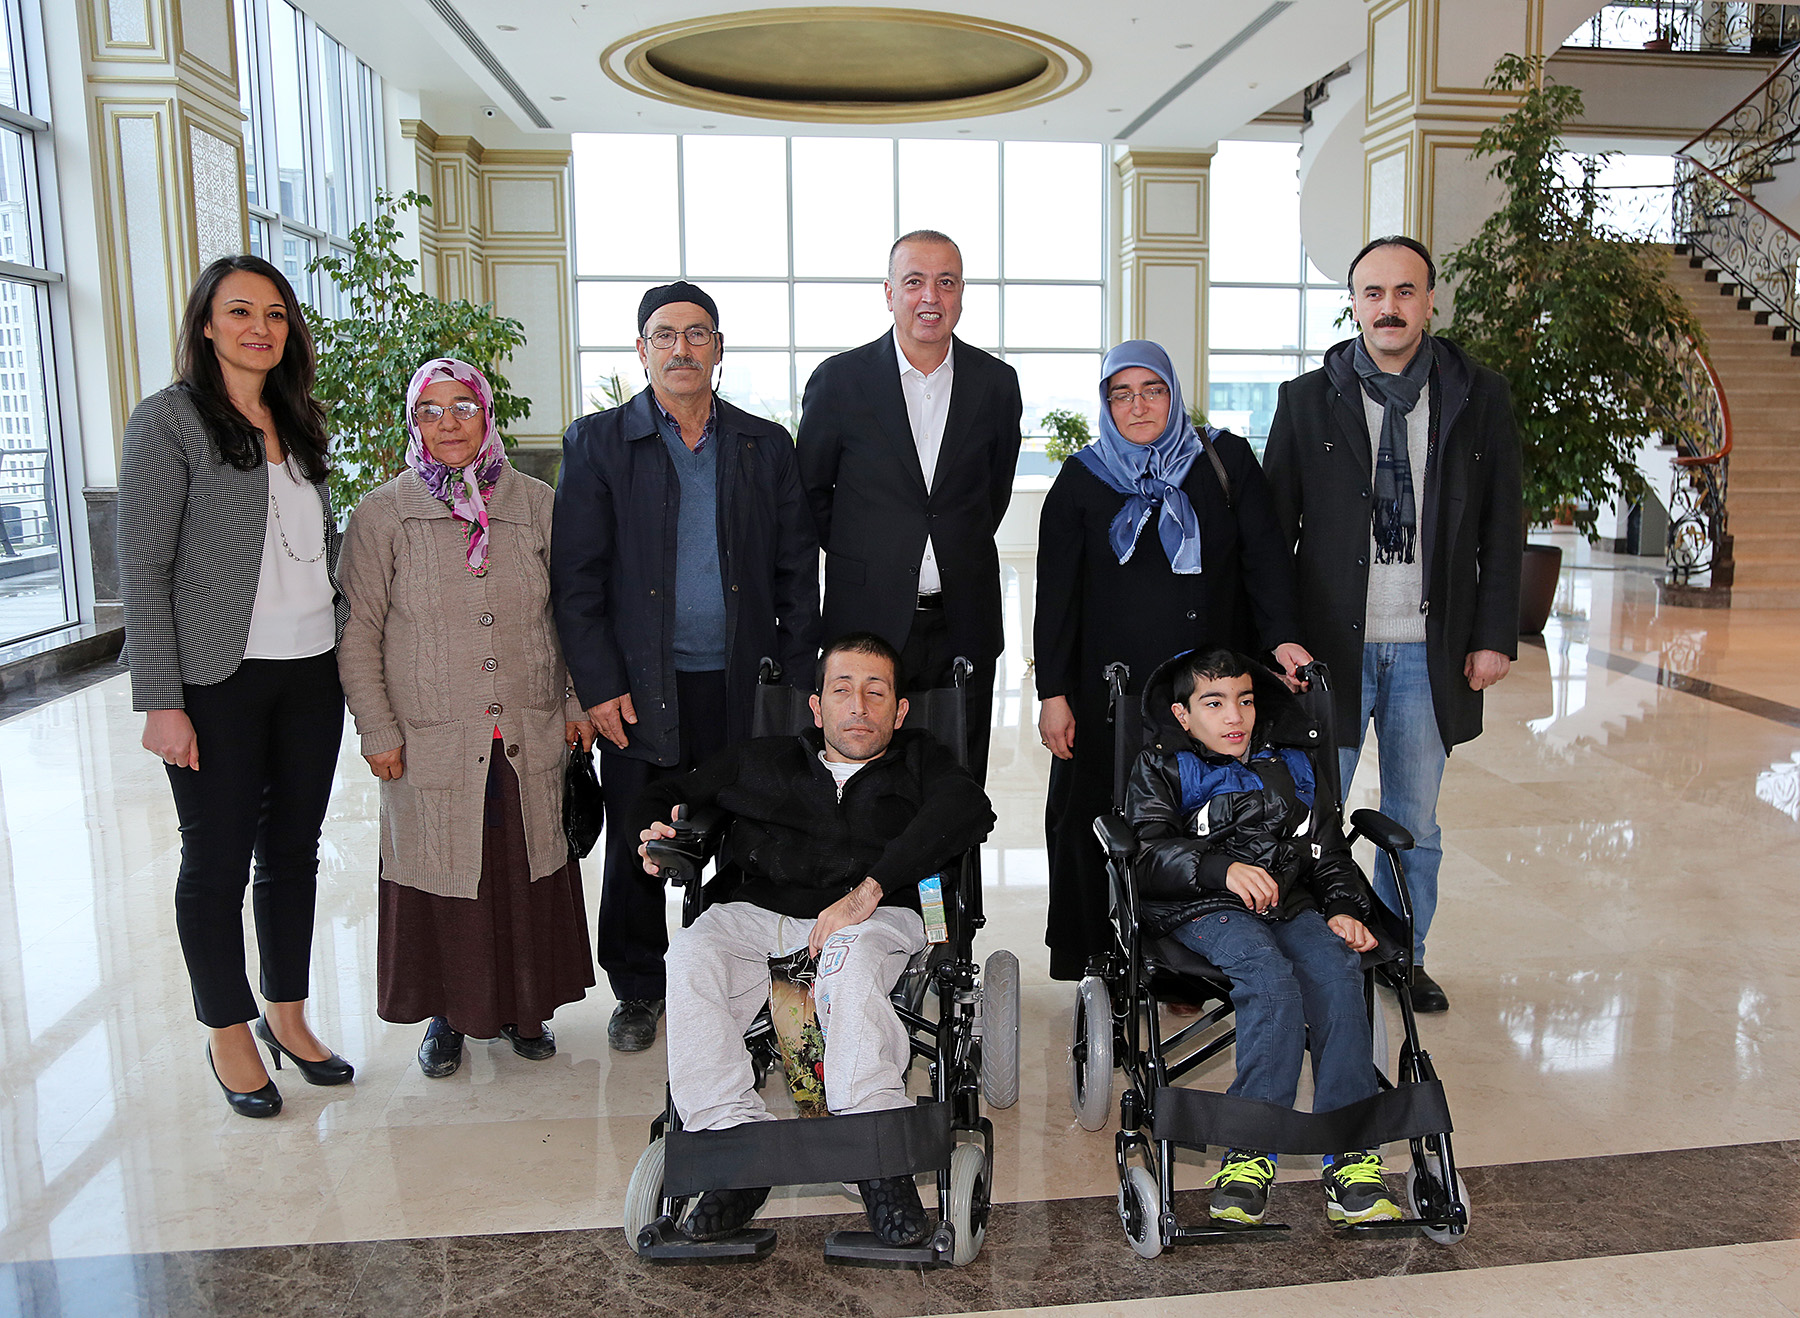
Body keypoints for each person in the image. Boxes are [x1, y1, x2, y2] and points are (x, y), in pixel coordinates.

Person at [635, 632, 995, 1246]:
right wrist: (652, 830)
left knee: (848, 964)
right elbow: (668, 792)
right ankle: (732, 1151)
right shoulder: (762, 759)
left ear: (900, 711)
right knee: (692, 952)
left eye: (876, 693)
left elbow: (968, 809)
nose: (859, 706)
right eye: (842, 690)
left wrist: (869, 890)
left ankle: (878, 1162)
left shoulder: (923, 760)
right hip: (759, 913)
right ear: (817, 706)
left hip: (874, 914)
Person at [552, 281, 820, 1053]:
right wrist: (599, 686)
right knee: (639, 841)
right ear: (641, 350)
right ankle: (640, 987)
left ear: (718, 348)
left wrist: (795, 684)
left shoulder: (764, 445)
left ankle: (735, 975)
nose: (681, 348)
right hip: (640, 690)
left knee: (749, 834)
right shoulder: (599, 443)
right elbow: (576, 580)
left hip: (744, 686)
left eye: (697, 333)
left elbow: (796, 573)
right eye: (664, 335)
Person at [1262, 236, 1523, 1013]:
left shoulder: (1478, 396)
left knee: (1415, 823)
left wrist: (1493, 634)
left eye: (1405, 292)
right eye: (1373, 293)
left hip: (1429, 652)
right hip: (1328, 653)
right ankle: (1315, 956)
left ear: (1430, 301)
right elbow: (1271, 536)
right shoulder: (1306, 399)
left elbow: (1502, 524)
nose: (1389, 307)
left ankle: (1403, 956)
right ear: (1353, 305)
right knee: (1312, 817)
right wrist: (1277, 638)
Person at [117, 254, 352, 1118]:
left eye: (276, 314)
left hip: (310, 673)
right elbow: (142, 566)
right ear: (207, 324)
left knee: (292, 852)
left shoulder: (297, 417)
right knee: (214, 860)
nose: (261, 327)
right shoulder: (169, 420)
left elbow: (313, 550)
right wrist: (161, 699)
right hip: (217, 678)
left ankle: (287, 1015)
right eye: (241, 311)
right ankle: (227, 1030)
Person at [338, 358, 598, 1078]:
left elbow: (570, 613)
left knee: (523, 870)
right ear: (413, 422)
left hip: (528, 729)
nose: (448, 423)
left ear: (487, 415)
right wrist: (377, 728)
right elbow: (358, 632)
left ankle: (527, 1009)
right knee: (444, 873)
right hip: (430, 739)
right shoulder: (383, 514)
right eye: (431, 410)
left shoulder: (535, 504)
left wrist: (576, 701)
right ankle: (446, 1015)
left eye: (463, 407)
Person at [1034, 340, 1310, 981]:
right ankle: (1097, 955)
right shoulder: (1082, 478)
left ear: (1174, 393)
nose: (1138, 406)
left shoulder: (1223, 460)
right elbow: (1057, 598)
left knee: (1201, 815)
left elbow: (1265, 559)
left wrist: (1282, 639)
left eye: (1152, 390)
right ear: (1105, 404)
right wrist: (1053, 693)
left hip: (1209, 690)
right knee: (1098, 817)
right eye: (1121, 394)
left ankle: (1196, 954)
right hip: (1111, 693)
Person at [1127, 645, 1400, 1228]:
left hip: (1288, 900)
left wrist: (1344, 907)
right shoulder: (1163, 767)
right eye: (1214, 703)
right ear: (1182, 716)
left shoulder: (1294, 764)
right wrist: (1218, 868)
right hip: (1199, 905)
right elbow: (1146, 853)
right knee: (1270, 980)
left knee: (1336, 970)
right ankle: (1250, 1152)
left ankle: (1351, 1152)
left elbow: (1327, 850)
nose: (1235, 717)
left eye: (1245, 701)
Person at [795, 230, 1022, 782]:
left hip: (962, 620)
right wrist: (875, 556)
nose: (930, 297)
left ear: (961, 293)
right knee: (863, 779)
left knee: (958, 780)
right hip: (865, 618)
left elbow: (992, 493)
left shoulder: (996, 384)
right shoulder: (840, 380)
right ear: (889, 292)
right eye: (915, 281)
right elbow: (811, 495)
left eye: (946, 282)